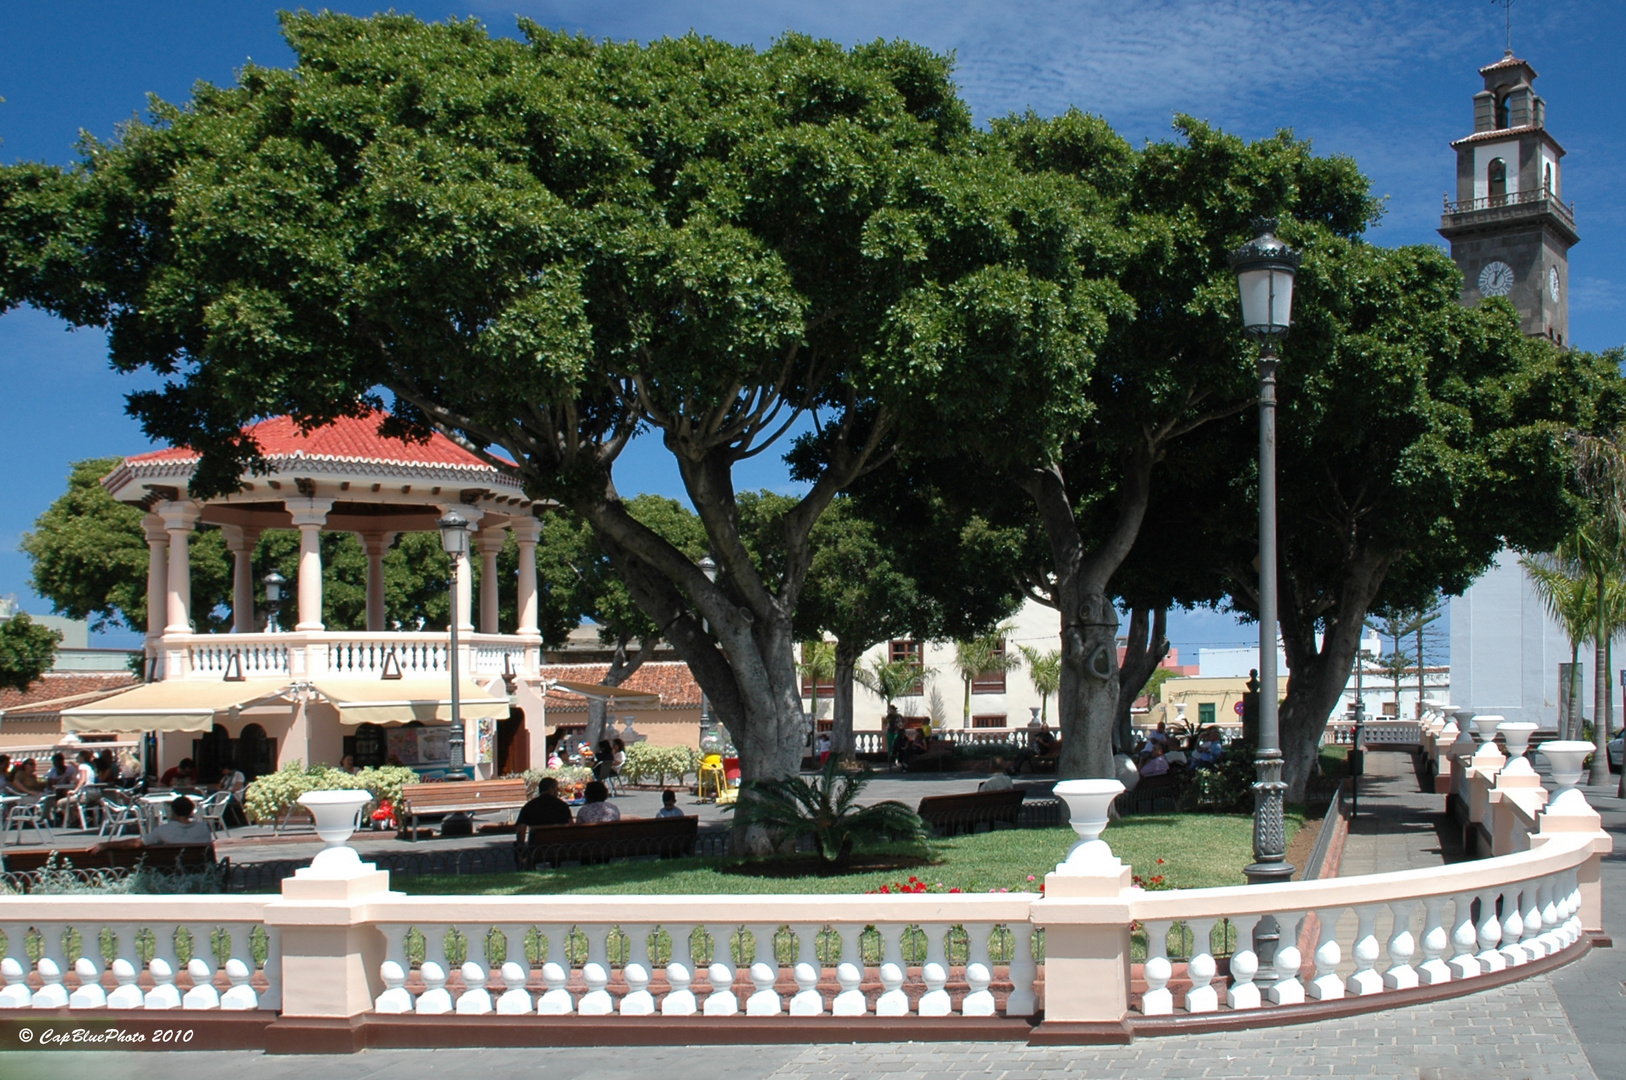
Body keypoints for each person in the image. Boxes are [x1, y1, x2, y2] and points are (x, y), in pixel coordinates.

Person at [514, 777, 573, 842]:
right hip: (558, 847)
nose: (557, 792)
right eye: (557, 789)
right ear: (551, 790)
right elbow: (571, 827)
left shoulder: (529, 806)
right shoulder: (562, 806)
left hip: (536, 848)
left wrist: (521, 847)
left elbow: (521, 830)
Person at [145, 795, 213, 846]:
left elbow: (142, 842)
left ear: (173, 812)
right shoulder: (203, 828)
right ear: (191, 812)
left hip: (175, 864)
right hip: (199, 864)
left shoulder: (162, 831)